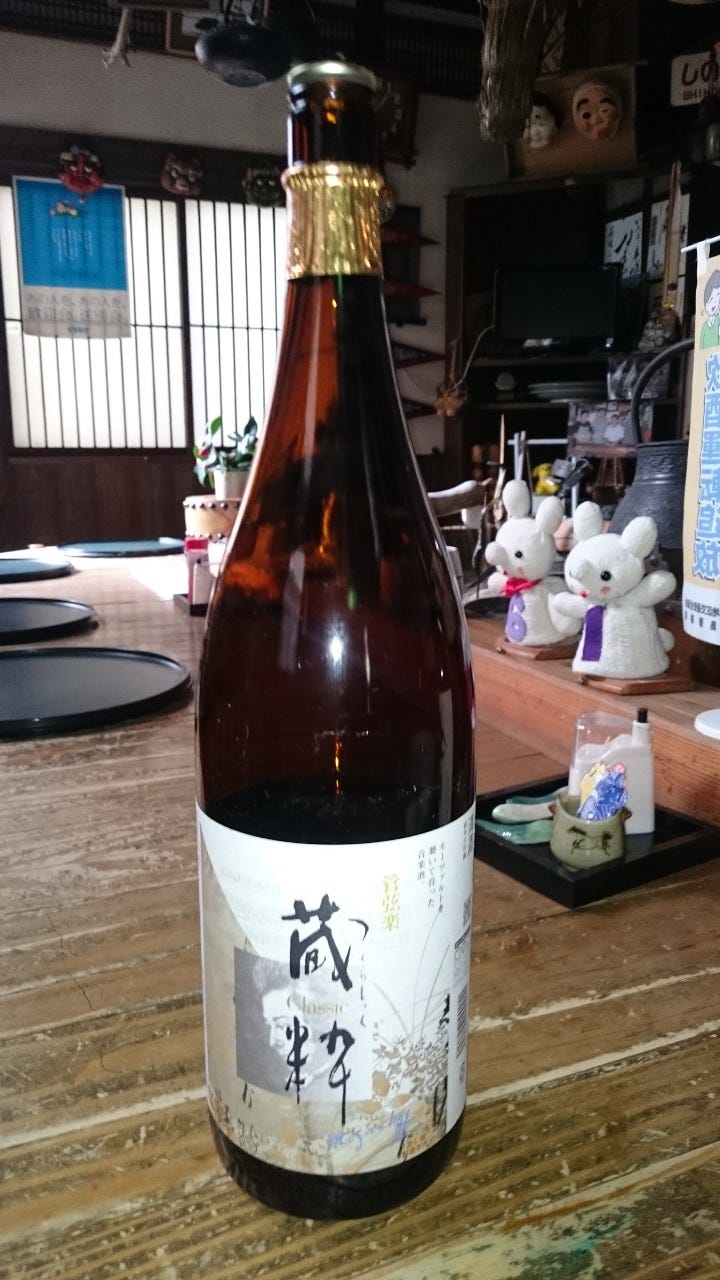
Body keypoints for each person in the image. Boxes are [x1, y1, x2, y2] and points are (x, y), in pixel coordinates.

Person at [700, 269, 720, 349]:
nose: (715, 303)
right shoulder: (704, 328)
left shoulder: (718, 322)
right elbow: (701, 347)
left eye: (718, 297)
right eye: (712, 299)